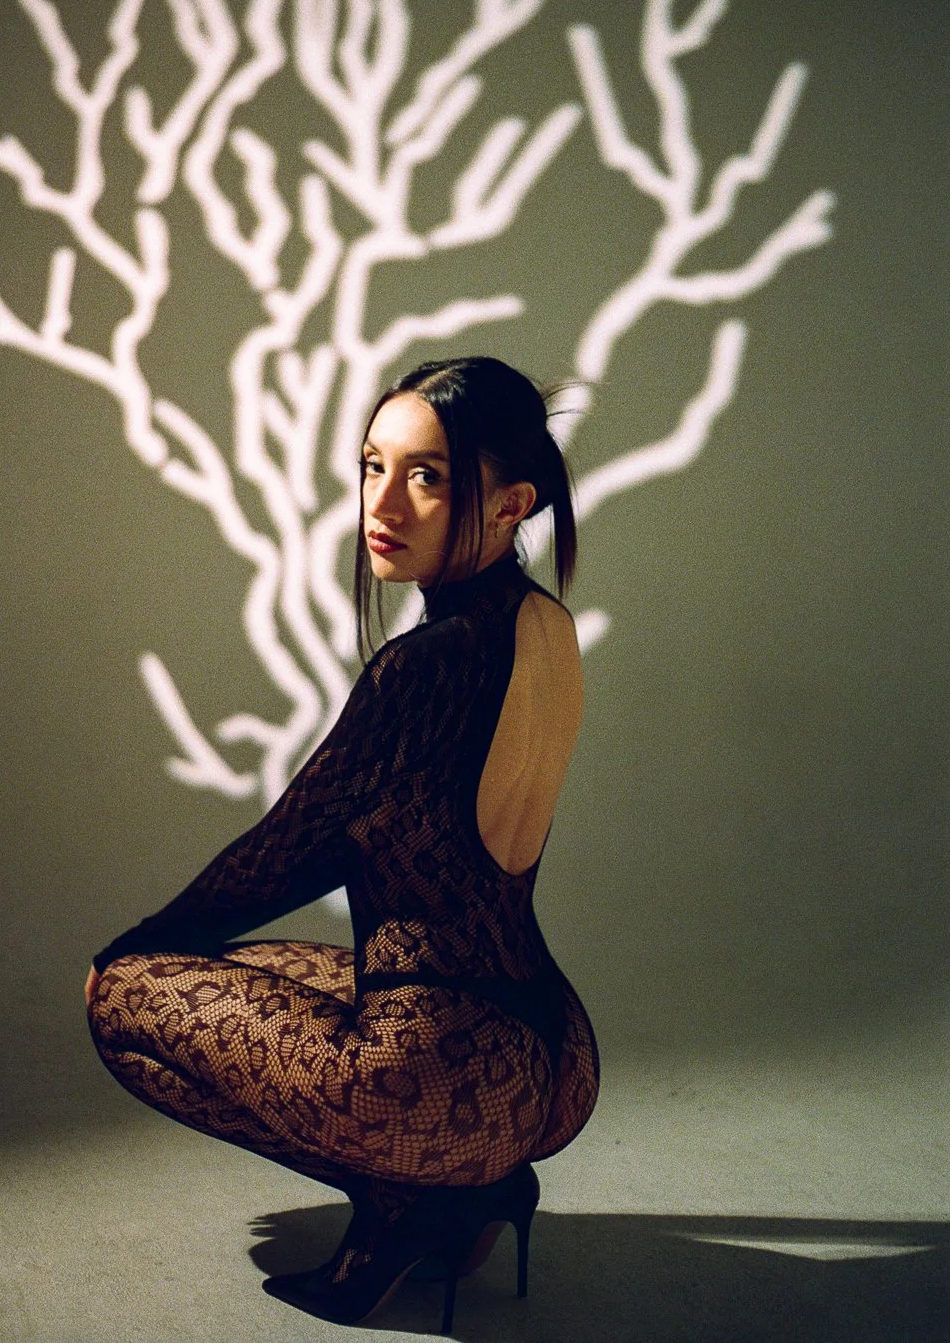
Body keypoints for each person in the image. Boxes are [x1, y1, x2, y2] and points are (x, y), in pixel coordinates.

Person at [85, 356, 600, 1333]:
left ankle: (411, 1198)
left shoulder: (421, 667)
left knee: (124, 998)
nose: (383, 503)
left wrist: (134, 945)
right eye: (373, 466)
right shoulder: (548, 626)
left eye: (427, 476)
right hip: (554, 1049)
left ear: (512, 505)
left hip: (442, 1072)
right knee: (250, 970)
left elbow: (291, 848)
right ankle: (463, 1192)